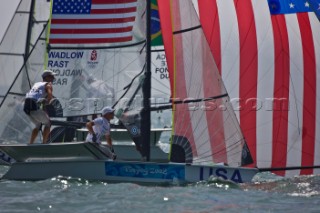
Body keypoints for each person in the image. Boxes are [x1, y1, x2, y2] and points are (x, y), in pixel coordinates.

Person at [23, 70, 57, 144]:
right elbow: (50, 96)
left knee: (38, 125)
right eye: (51, 76)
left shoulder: (37, 84)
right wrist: (49, 104)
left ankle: (31, 143)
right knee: (48, 123)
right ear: (47, 77)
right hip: (33, 103)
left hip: (26, 104)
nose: (53, 78)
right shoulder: (48, 85)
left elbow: (36, 95)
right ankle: (44, 143)